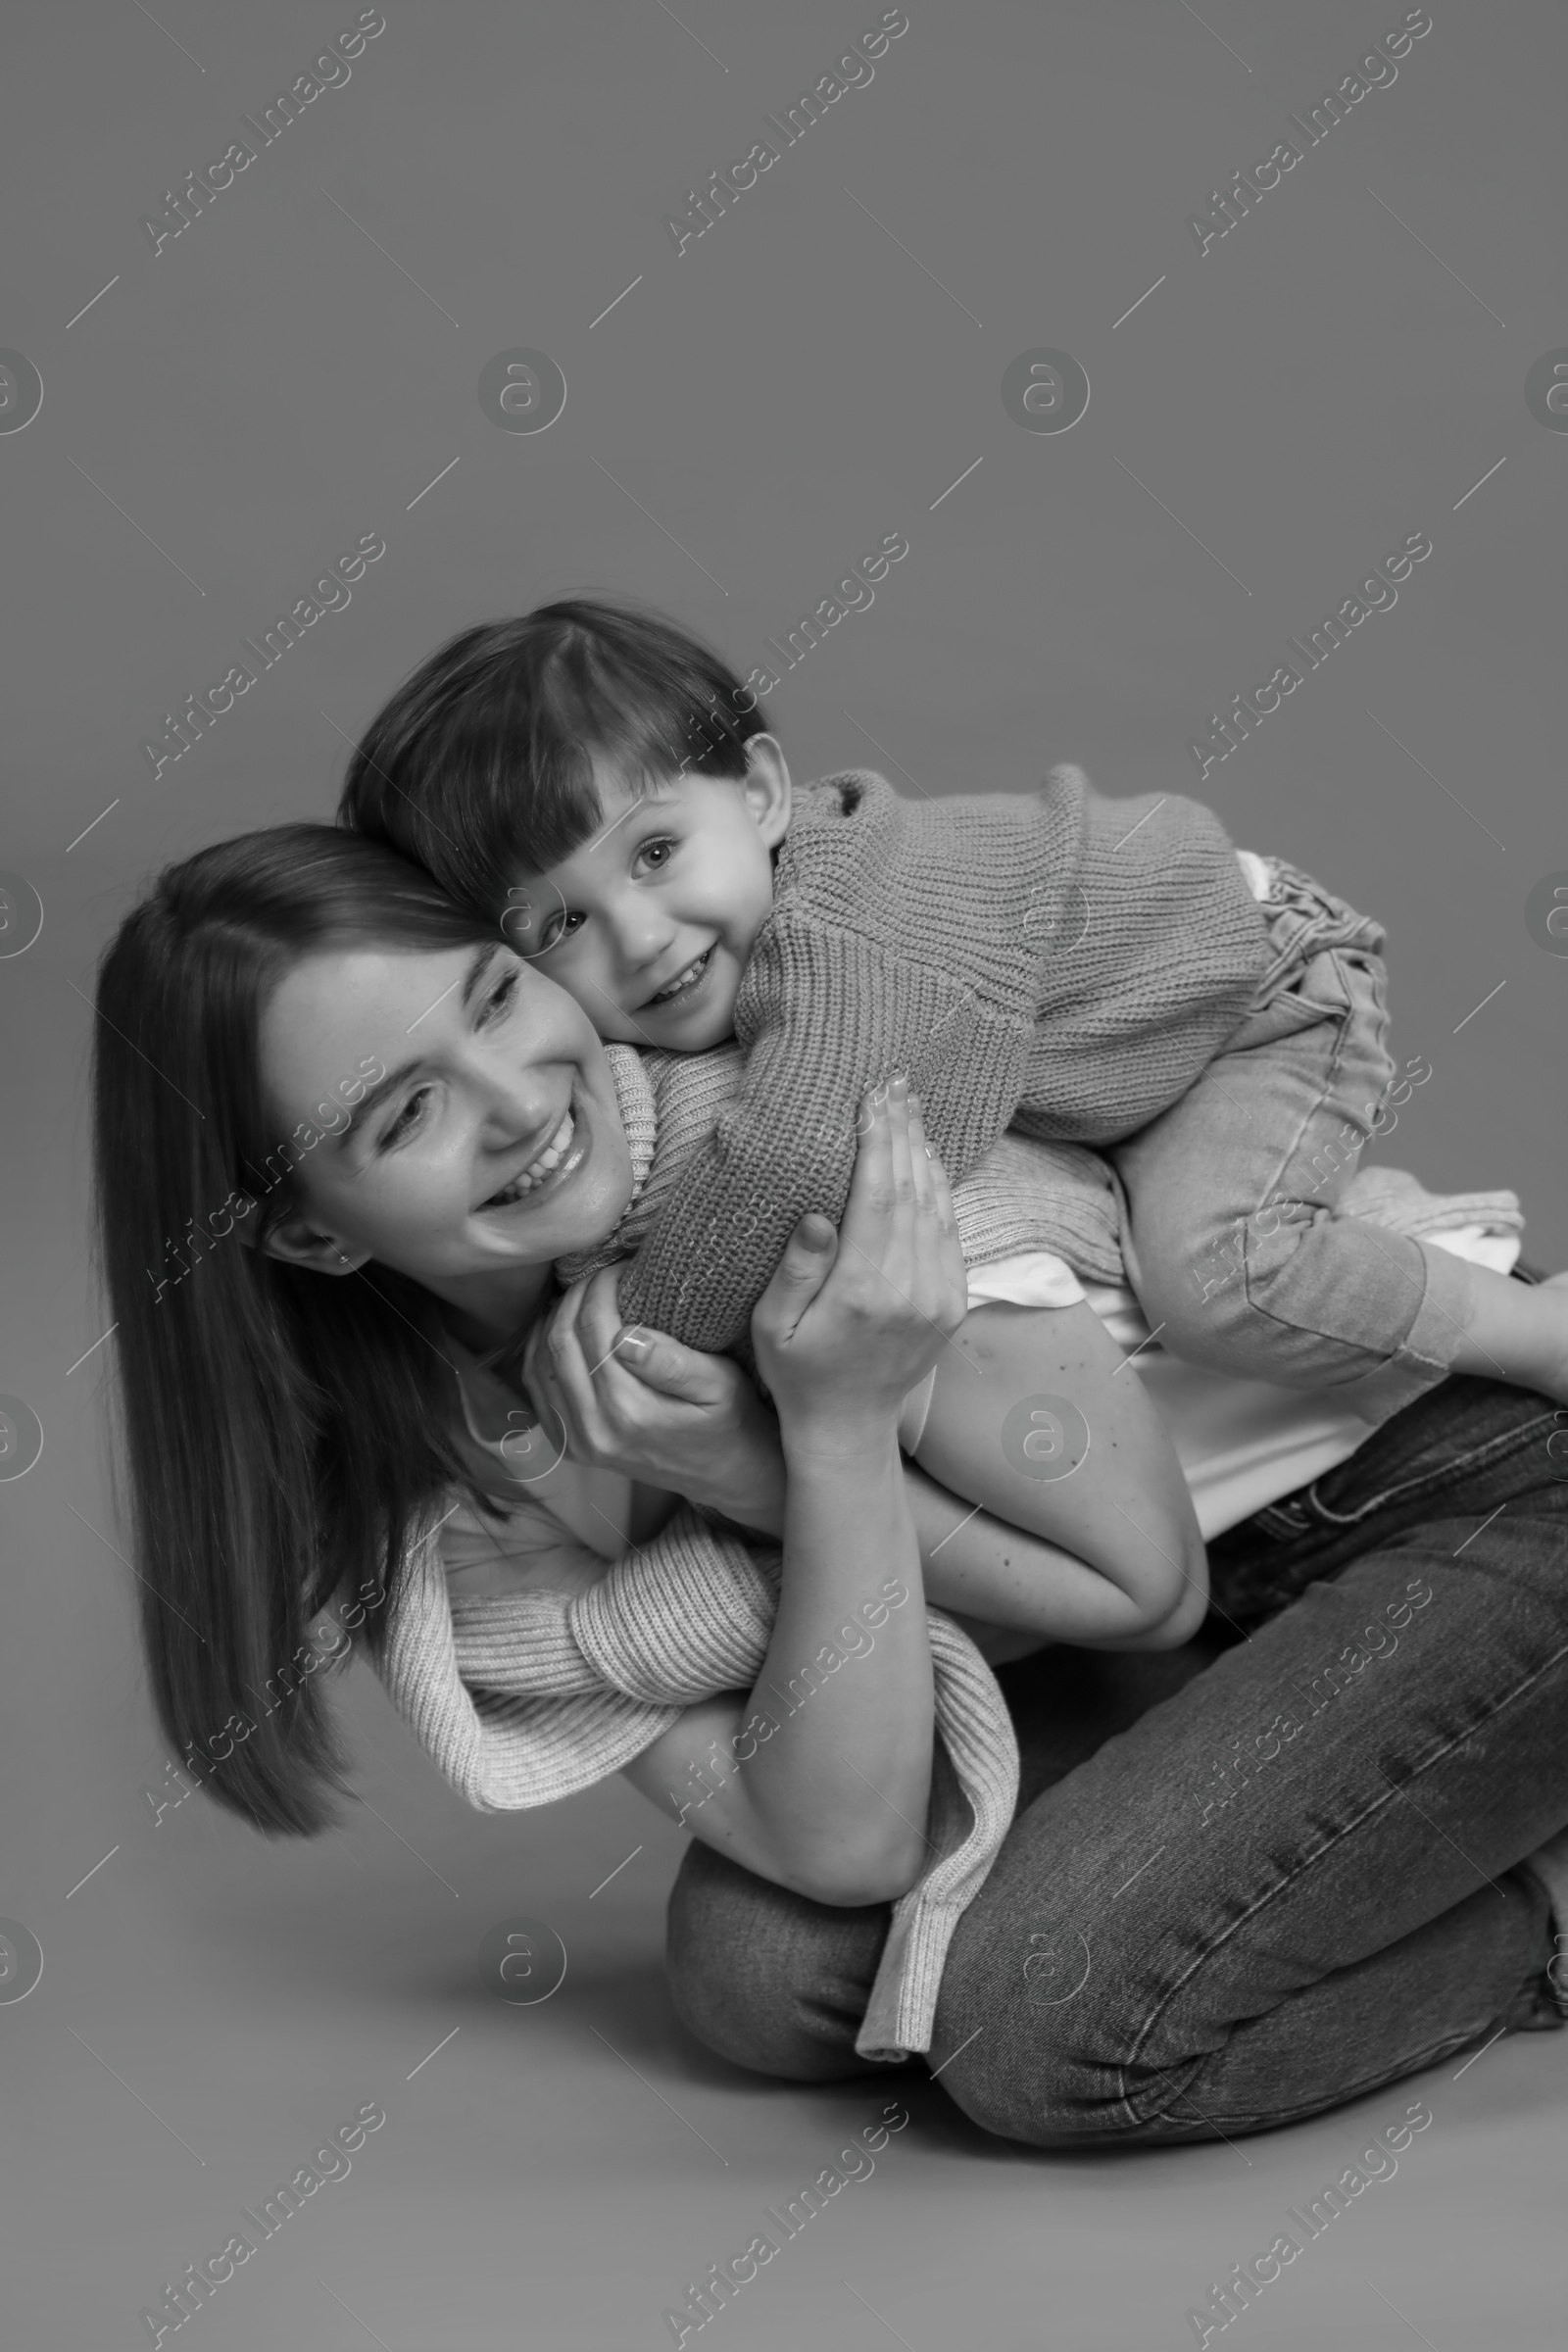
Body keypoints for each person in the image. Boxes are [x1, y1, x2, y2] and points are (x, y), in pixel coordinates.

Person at [91, 823, 1568, 2125]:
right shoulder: (451, 1518)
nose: (519, 1100)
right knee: (764, 1974)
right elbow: (842, 1842)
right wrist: (830, 1452)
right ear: (312, 1236)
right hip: (1209, 1599)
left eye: (493, 996)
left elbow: (1145, 1580)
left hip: (1450, 1479)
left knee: (1044, 2031)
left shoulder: (790, 1140)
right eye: (401, 1113)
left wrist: (800, 1443)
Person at [336, 597, 1568, 1528]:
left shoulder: (849, 932)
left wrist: (640, 1336)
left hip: (1255, 986)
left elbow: (796, 1160)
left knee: (1222, 1273)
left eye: (653, 853)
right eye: (559, 925)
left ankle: (1531, 1334)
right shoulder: (728, 964)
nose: (639, 938)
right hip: (1114, 1049)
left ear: (760, 792)